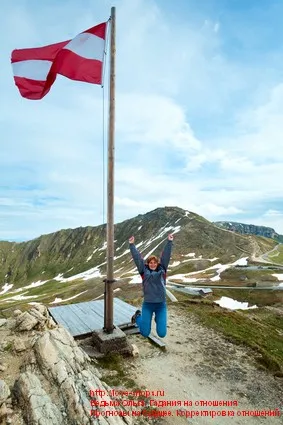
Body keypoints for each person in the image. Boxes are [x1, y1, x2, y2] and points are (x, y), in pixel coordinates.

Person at [128, 234, 174, 338]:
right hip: (148, 304)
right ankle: (137, 316)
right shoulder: (143, 271)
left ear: (157, 264)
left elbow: (166, 256)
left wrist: (169, 242)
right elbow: (137, 259)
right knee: (145, 333)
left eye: (154, 262)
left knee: (162, 334)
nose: (152, 264)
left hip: (161, 305)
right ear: (148, 264)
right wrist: (132, 245)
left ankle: (158, 318)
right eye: (150, 263)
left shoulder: (163, 270)